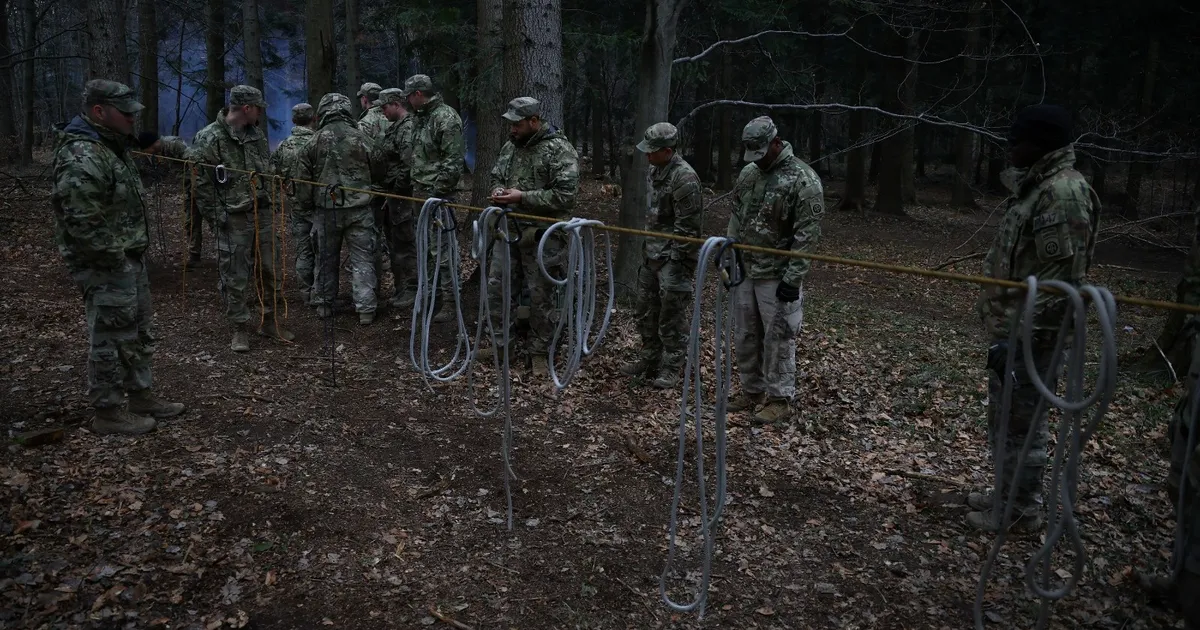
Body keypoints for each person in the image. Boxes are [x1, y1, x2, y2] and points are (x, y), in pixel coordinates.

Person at [967, 104, 1100, 533]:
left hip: (1033, 337)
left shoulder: (1062, 194)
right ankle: (1006, 494)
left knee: (1022, 424)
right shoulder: (1037, 187)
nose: (1010, 148)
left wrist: (1021, 339)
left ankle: (1020, 510)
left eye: (1017, 141)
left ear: (1040, 144)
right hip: (1013, 329)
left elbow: (1059, 284)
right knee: (1005, 417)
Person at [50, 79, 186, 435]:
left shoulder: (111, 146)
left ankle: (141, 395)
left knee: (137, 331)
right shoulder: (82, 153)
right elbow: (83, 220)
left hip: (127, 258)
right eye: (125, 113)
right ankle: (108, 411)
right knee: (109, 337)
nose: (131, 119)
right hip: (106, 264)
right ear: (99, 111)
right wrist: (116, 260)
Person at [725, 116, 824, 425]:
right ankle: (752, 391)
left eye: (761, 152)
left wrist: (793, 279)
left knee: (778, 338)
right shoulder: (749, 174)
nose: (757, 159)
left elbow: (807, 235)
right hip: (747, 269)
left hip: (777, 275)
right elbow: (736, 215)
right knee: (745, 335)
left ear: (776, 143)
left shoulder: (803, 180)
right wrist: (730, 251)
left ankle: (780, 399)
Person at [188, 85, 294, 352]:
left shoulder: (256, 135)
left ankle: (269, 321)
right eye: (258, 108)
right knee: (234, 275)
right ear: (247, 108)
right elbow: (200, 184)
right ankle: (239, 328)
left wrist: (274, 197)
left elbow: (266, 169)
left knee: (270, 269)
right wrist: (217, 217)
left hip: (262, 213)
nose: (261, 114)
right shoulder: (209, 137)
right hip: (233, 218)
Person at [486, 96, 579, 376]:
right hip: (508, 229)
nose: (512, 129)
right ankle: (501, 346)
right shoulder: (510, 147)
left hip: (542, 235)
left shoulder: (559, 150)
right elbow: (496, 175)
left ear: (534, 121)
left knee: (541, 296)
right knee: (498, 288)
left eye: (517, 124)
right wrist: (498, 190)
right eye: (510, 124)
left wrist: (522, 197)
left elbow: (565, 196)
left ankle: (539, 352)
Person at [619, 122, 702, 389]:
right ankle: (650, 358)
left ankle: (671, 366)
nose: (647, 155)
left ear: (667, 151)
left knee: (671, 314)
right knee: (646, 310)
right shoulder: (655, 170)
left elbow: (688, 229)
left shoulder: (685, 178)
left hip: (673, 259)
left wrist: (677, 262)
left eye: (652, 151)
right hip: (652, 253)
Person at [296, 93, 380, 325]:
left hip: (326, 211)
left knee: (325, 257)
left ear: (323, 111)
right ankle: (365, 309)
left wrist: (306, 207)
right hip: (359, 209)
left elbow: (302, 181)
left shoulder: (313, 141)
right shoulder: (361, 138)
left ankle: (324, 303)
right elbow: (379, 166)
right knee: (363, 258)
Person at [404, 74, 464, 322]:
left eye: (409, 96)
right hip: (421, 194)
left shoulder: (445, 117)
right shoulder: (421, 118)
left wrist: (436, 193)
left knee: (444, 250)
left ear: (418, 94)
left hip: (438, 197)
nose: (407, 101)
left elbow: (453, 162)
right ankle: (431, 297)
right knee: (426, 249)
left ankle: (451, 301)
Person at [373, 88, 418, 309]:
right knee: (396, 242)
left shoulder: (407, 128)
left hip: (402, 196)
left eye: (384, 107)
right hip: (393, 194)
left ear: (396, 104)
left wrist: (396, 190)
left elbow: (408, 166)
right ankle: (403, 288)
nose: (383, 112)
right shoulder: (396, 127)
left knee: (405, 243)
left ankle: (412, 289)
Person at [270, 103, 318, 304]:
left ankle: (305, 293)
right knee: (322, 250)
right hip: (319, 206)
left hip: (297, 205)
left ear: (293, 120)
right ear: (314, 118)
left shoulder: (283, 146)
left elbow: (273, 173)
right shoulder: (318, 142)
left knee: (303, 250)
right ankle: (319, 295)